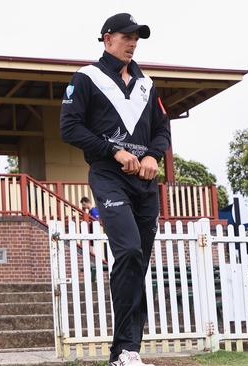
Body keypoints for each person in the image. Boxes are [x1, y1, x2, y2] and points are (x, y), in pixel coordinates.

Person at [60, 13, 170, 366]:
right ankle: (124, 349)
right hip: (109, 176)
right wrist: (113, 150)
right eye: (127, 37)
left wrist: (153, 154)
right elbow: (69, 128)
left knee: (137, 264)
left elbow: (162, 130)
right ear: (107, 39)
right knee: (129, 252)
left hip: (146, 184)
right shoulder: (87, 78)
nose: (133, 43)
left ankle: (126, 351)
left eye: (137, 37)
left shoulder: (147, 85)